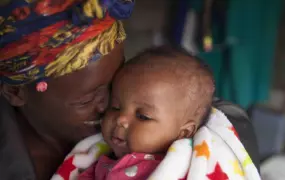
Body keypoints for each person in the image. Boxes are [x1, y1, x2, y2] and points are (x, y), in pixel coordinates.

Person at [0, 1, 259, 180]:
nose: (112, 107)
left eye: (116, 79)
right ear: (15, 93)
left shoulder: (215, 131)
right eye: (87, 99)